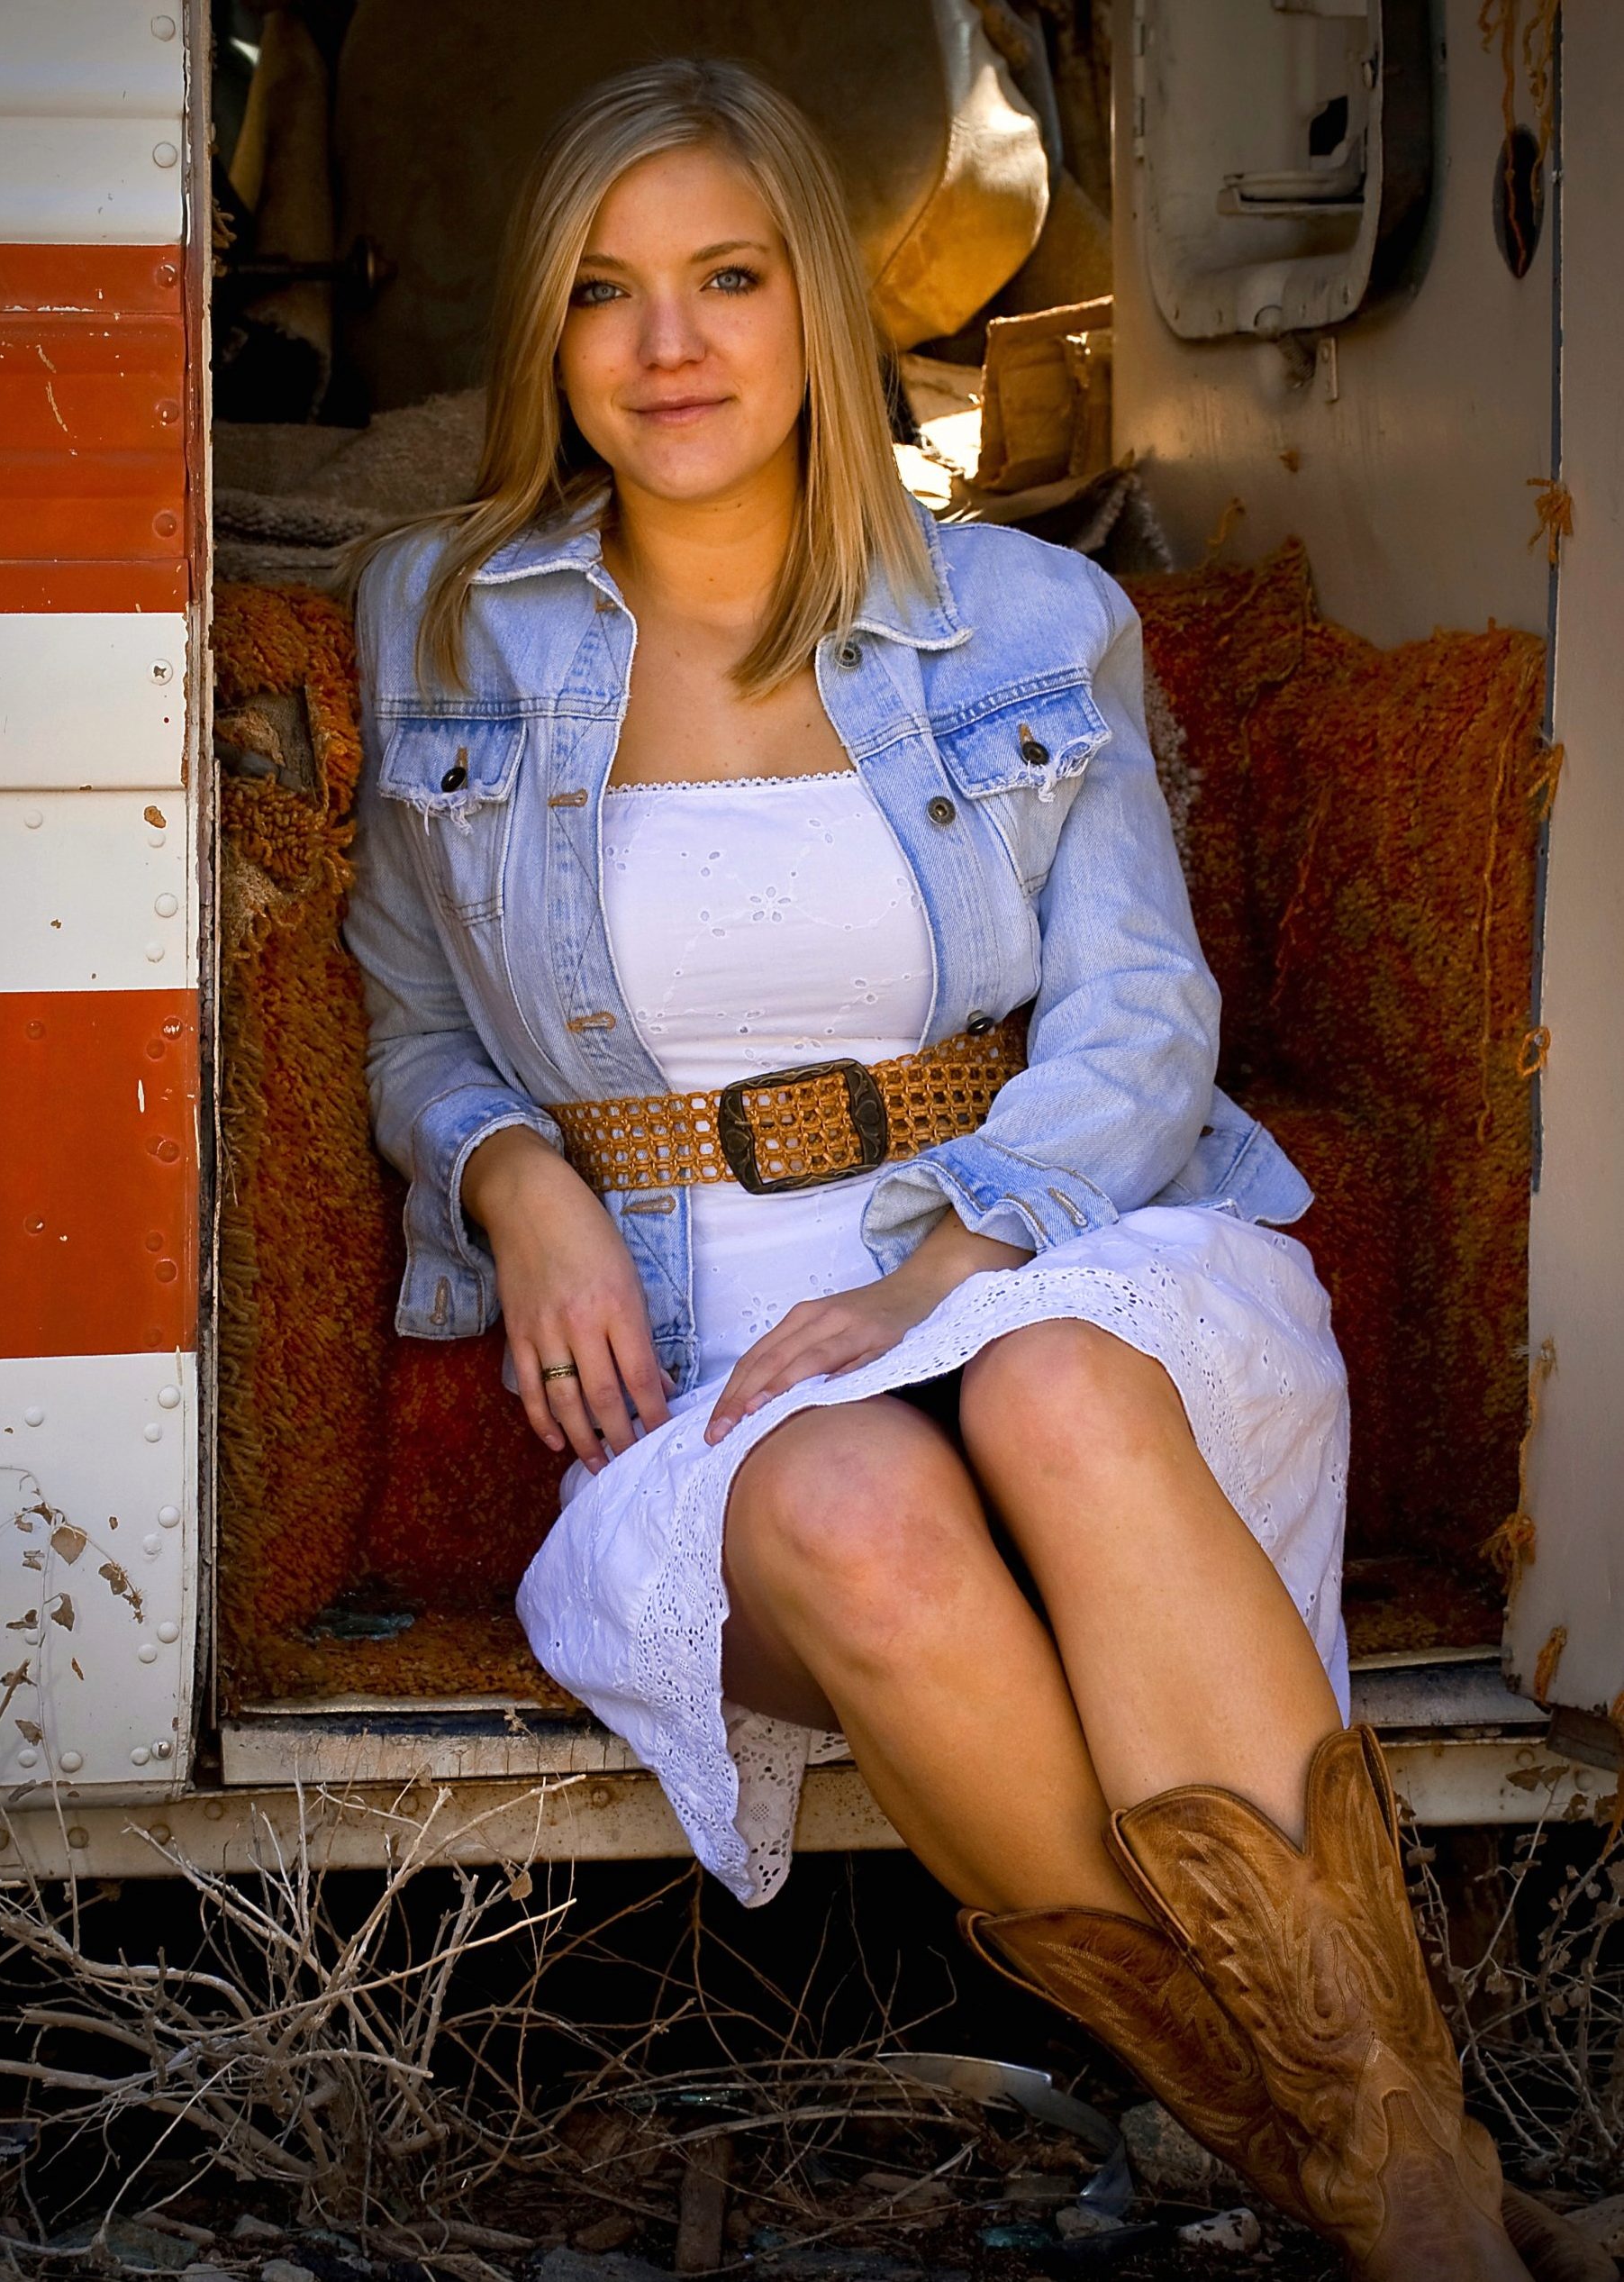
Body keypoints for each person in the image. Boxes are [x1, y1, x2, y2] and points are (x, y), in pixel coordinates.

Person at [344, 59, 1554, 2280]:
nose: (669, 344)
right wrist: (511, 1173)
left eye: (729, 278)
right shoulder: (446, 620)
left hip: (1049, 1238)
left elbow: (1142, 1015)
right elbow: (412, 1021)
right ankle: (1386, 2175)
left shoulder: (1019, 615)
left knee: (1054, 1390)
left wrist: (944, 1268)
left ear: (820, 303)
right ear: (547, 335)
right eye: (605, 291)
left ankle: (1395, 2180)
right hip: (709, 1339)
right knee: (849, 1510)